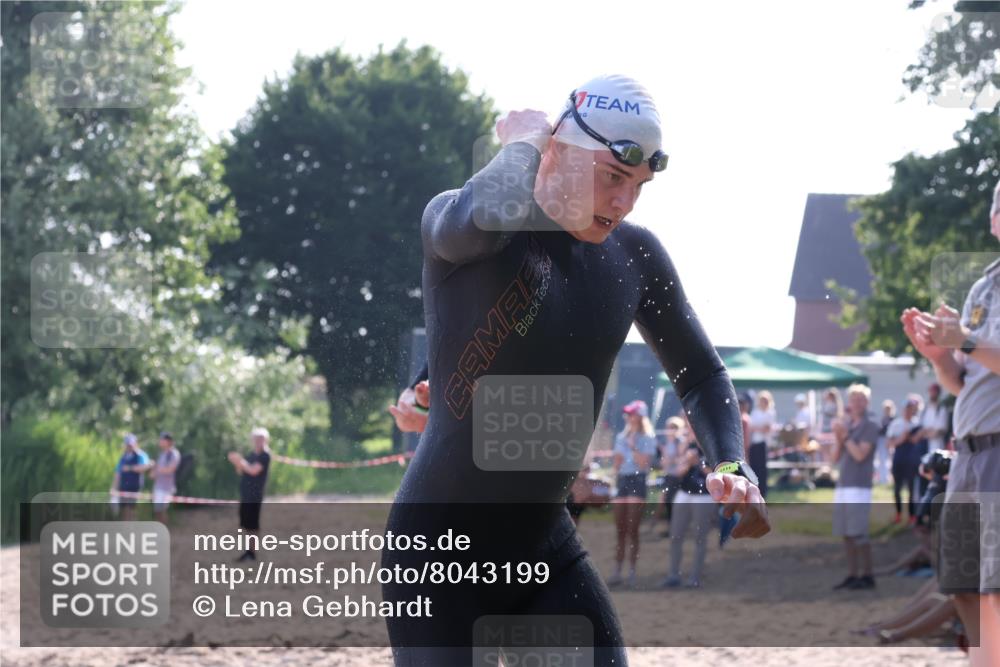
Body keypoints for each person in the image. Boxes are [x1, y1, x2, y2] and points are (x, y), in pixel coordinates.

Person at [382, 74, 769, 665]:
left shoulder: (635, 255)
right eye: (613, 177)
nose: (624, 202)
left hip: (546, 554)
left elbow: (700, 372)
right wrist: (525, 141)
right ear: (557, 149)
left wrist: (732, 463)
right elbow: (488, 215)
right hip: (438, 561)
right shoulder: (464, 219)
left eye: (639, 185)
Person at [900, 177, 1000, 666]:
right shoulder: (983, 287)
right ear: (994, 221)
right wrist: (940, 355)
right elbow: (964, 381)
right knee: (963, 584)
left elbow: (976, 349)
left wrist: (963, 340)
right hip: (968, 451)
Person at [831, 384, 881, 591]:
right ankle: (852, 574)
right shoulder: (848, 425)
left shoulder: (870, 426)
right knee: (846, 533)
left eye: (861, 399)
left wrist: (845, 436)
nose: (857, 403)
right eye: (854, 399)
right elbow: (834, 458)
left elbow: (860, 455)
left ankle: (867, 574)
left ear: (867, 402)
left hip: (859, 485)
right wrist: (838, 437)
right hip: (844, 483)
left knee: (859, 533)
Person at [608, 400, 657, 588]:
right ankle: (617, 570)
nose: (628, 417)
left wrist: (632, 446)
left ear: (640, 416)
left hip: (637, 481)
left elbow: (643, 464)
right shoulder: (621, 436)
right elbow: (617, 464)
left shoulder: (648, 437)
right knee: (620, 529)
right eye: (628, 414)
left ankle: (631, 572)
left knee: (632, 529)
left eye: (632, 413)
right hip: (623, 480)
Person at [661, 430, 716, 588]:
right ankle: (673, 575)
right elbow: (678, 472)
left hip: (704, 496)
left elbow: (717, 475)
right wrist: (687, 462)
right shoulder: (688, 447)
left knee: (700, 538)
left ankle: (695, 577)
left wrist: (699, 463)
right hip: (684, 493)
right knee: (675, 535)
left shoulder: (713, 448)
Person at [228, 426, 272, 562]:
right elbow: (241, 471)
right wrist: (238, 462)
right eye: (257, 438)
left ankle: (252, 553)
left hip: (255, 495)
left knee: (252, 525)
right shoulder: (252, 455)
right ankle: (248, 551)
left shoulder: (265, 455)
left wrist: (239, 461)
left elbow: (253, 470)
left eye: (261, 439)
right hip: (246, 494)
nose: (259, 441)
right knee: (247, 525)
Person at [886, 394, 922, 524]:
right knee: (897, 488)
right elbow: (888, 443)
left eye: (911, 408)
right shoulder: (896, 424)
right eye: (907, 408)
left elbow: (919, 440)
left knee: (912, 489)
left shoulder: (918, 424)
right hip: (899, 458)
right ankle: (898, 514)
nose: (908, 411)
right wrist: (901, 439)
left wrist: (911, 437)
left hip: (912, 459)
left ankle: (912, 515)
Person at [111, 433, 151, 521]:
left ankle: (133, 527)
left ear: (135, 443)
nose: (129, 447)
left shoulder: (140, 455)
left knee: (132, 509)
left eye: (131, 444)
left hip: (134, 487)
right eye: (128, 445)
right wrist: (113, 488)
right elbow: (118, 473)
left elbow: (145, 467)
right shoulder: (123, 457)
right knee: (124, 509)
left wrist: (130, 468)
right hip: (123, 486)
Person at [747, 390, 776, 498]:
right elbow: (752, 427)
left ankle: (763, 492)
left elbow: (766, 429)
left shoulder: (770, 413)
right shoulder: (755, 412)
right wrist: (759, 428)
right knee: (754, 467)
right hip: (754, 443)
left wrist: (757, 428)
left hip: (763, 443)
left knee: (762, 469)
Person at [149, 431, 181, 523]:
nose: (160, 441)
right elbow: (155, 473)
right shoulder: (162, 454)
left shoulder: (174, 454)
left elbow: (170, 469)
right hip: (158, 487)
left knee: (163, 511)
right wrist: (153, 471)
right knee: (157, 511)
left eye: (162, 439)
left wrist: (156, 468)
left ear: (168, 441)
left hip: (167, 488)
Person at [875, 399, 896, 485]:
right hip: (882, 441)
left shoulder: (893, 420)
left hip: (890, 441)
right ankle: (882, 478)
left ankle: (889, 478)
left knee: (890, 460)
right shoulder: (883, 419)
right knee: (882, 460)